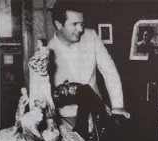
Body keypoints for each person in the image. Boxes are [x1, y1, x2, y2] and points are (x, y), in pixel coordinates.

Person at [48, 0, 130, 128]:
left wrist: (118, 106)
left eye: (82, 23)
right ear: (59, 24)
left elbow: (110, 71)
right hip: (63, 120)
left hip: (96, 112)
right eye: (74, 24)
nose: (80, 29)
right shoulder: (46, 52)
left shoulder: (91, 36)